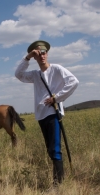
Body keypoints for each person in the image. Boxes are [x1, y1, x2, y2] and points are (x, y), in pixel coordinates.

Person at [15, 40, 79, 186]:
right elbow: (18, 74)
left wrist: (56, 97)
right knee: (50, 149)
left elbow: (74, 82)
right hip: (41, 115)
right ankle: (57, 180)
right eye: (38, 53)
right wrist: (27, 57)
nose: (42, 55)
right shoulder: (35, 75)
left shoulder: (56, 69)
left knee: (55, 149)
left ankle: (58, 185)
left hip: (53, 113)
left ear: (47, 54)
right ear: (35, 57)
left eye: (43, 52)